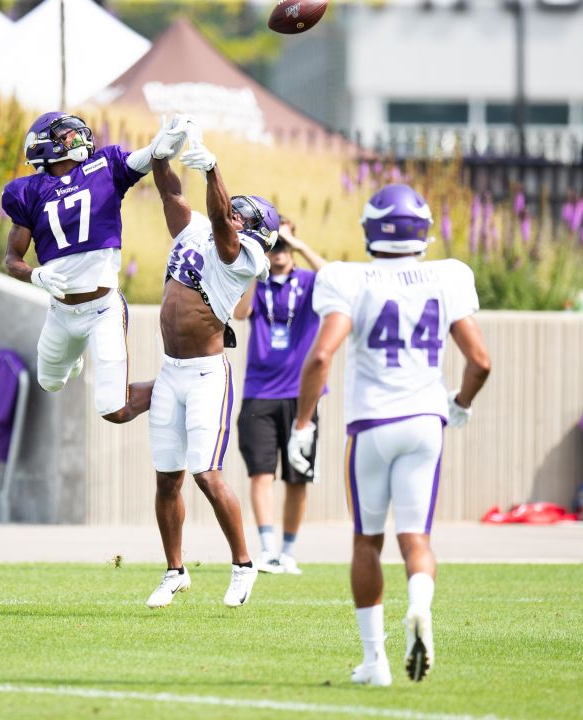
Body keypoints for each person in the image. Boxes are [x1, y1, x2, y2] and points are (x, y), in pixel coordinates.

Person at [286, 184, 492, 685]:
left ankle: (375, 662)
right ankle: (419, 606)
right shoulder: (448, 275)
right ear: (423, 231)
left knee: (366, 543)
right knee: (416, 538)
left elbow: (320, 355)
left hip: (373, 426)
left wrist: (303, 421)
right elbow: (481, 361)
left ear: (371, 230)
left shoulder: (349, 279)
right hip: (426, 423)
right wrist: (460, 404)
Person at [143, 125, 280, 610]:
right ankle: (174, 571)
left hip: (205, 376)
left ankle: (244, 565)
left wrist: (213, 167)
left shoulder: (245, 255)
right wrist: (162, 151)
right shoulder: (201, 228)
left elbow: (222, 223)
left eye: (244, 214)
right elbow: (170, 193)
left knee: (207, 473)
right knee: (167, 477)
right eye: (235, 206)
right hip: (170, 369)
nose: (235, 213)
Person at [2, 113, 189, 423]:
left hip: (103, 311)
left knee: (113, 411)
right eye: (66, 135)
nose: (77, 137)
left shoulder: (104, 166)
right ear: (43, 145)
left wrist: (162, 146)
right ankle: (73, 354)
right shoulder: (28, 191)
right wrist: (35, 274)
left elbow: (145, 158)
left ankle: (178, 387)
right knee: (49, 382)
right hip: (60, 313)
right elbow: (12, 259)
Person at [230, 220, 328, 575]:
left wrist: (298, 245)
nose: (280, 252)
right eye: (274, 245)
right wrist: (256, 263)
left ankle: (288, 551)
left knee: (298, 477)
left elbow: (337, 279)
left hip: (302, 396)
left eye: (283, 245)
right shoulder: (258, 283)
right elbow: (240, 313)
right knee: (261, 473)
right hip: (259, 393)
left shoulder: (309, 282)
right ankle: (268, 549)